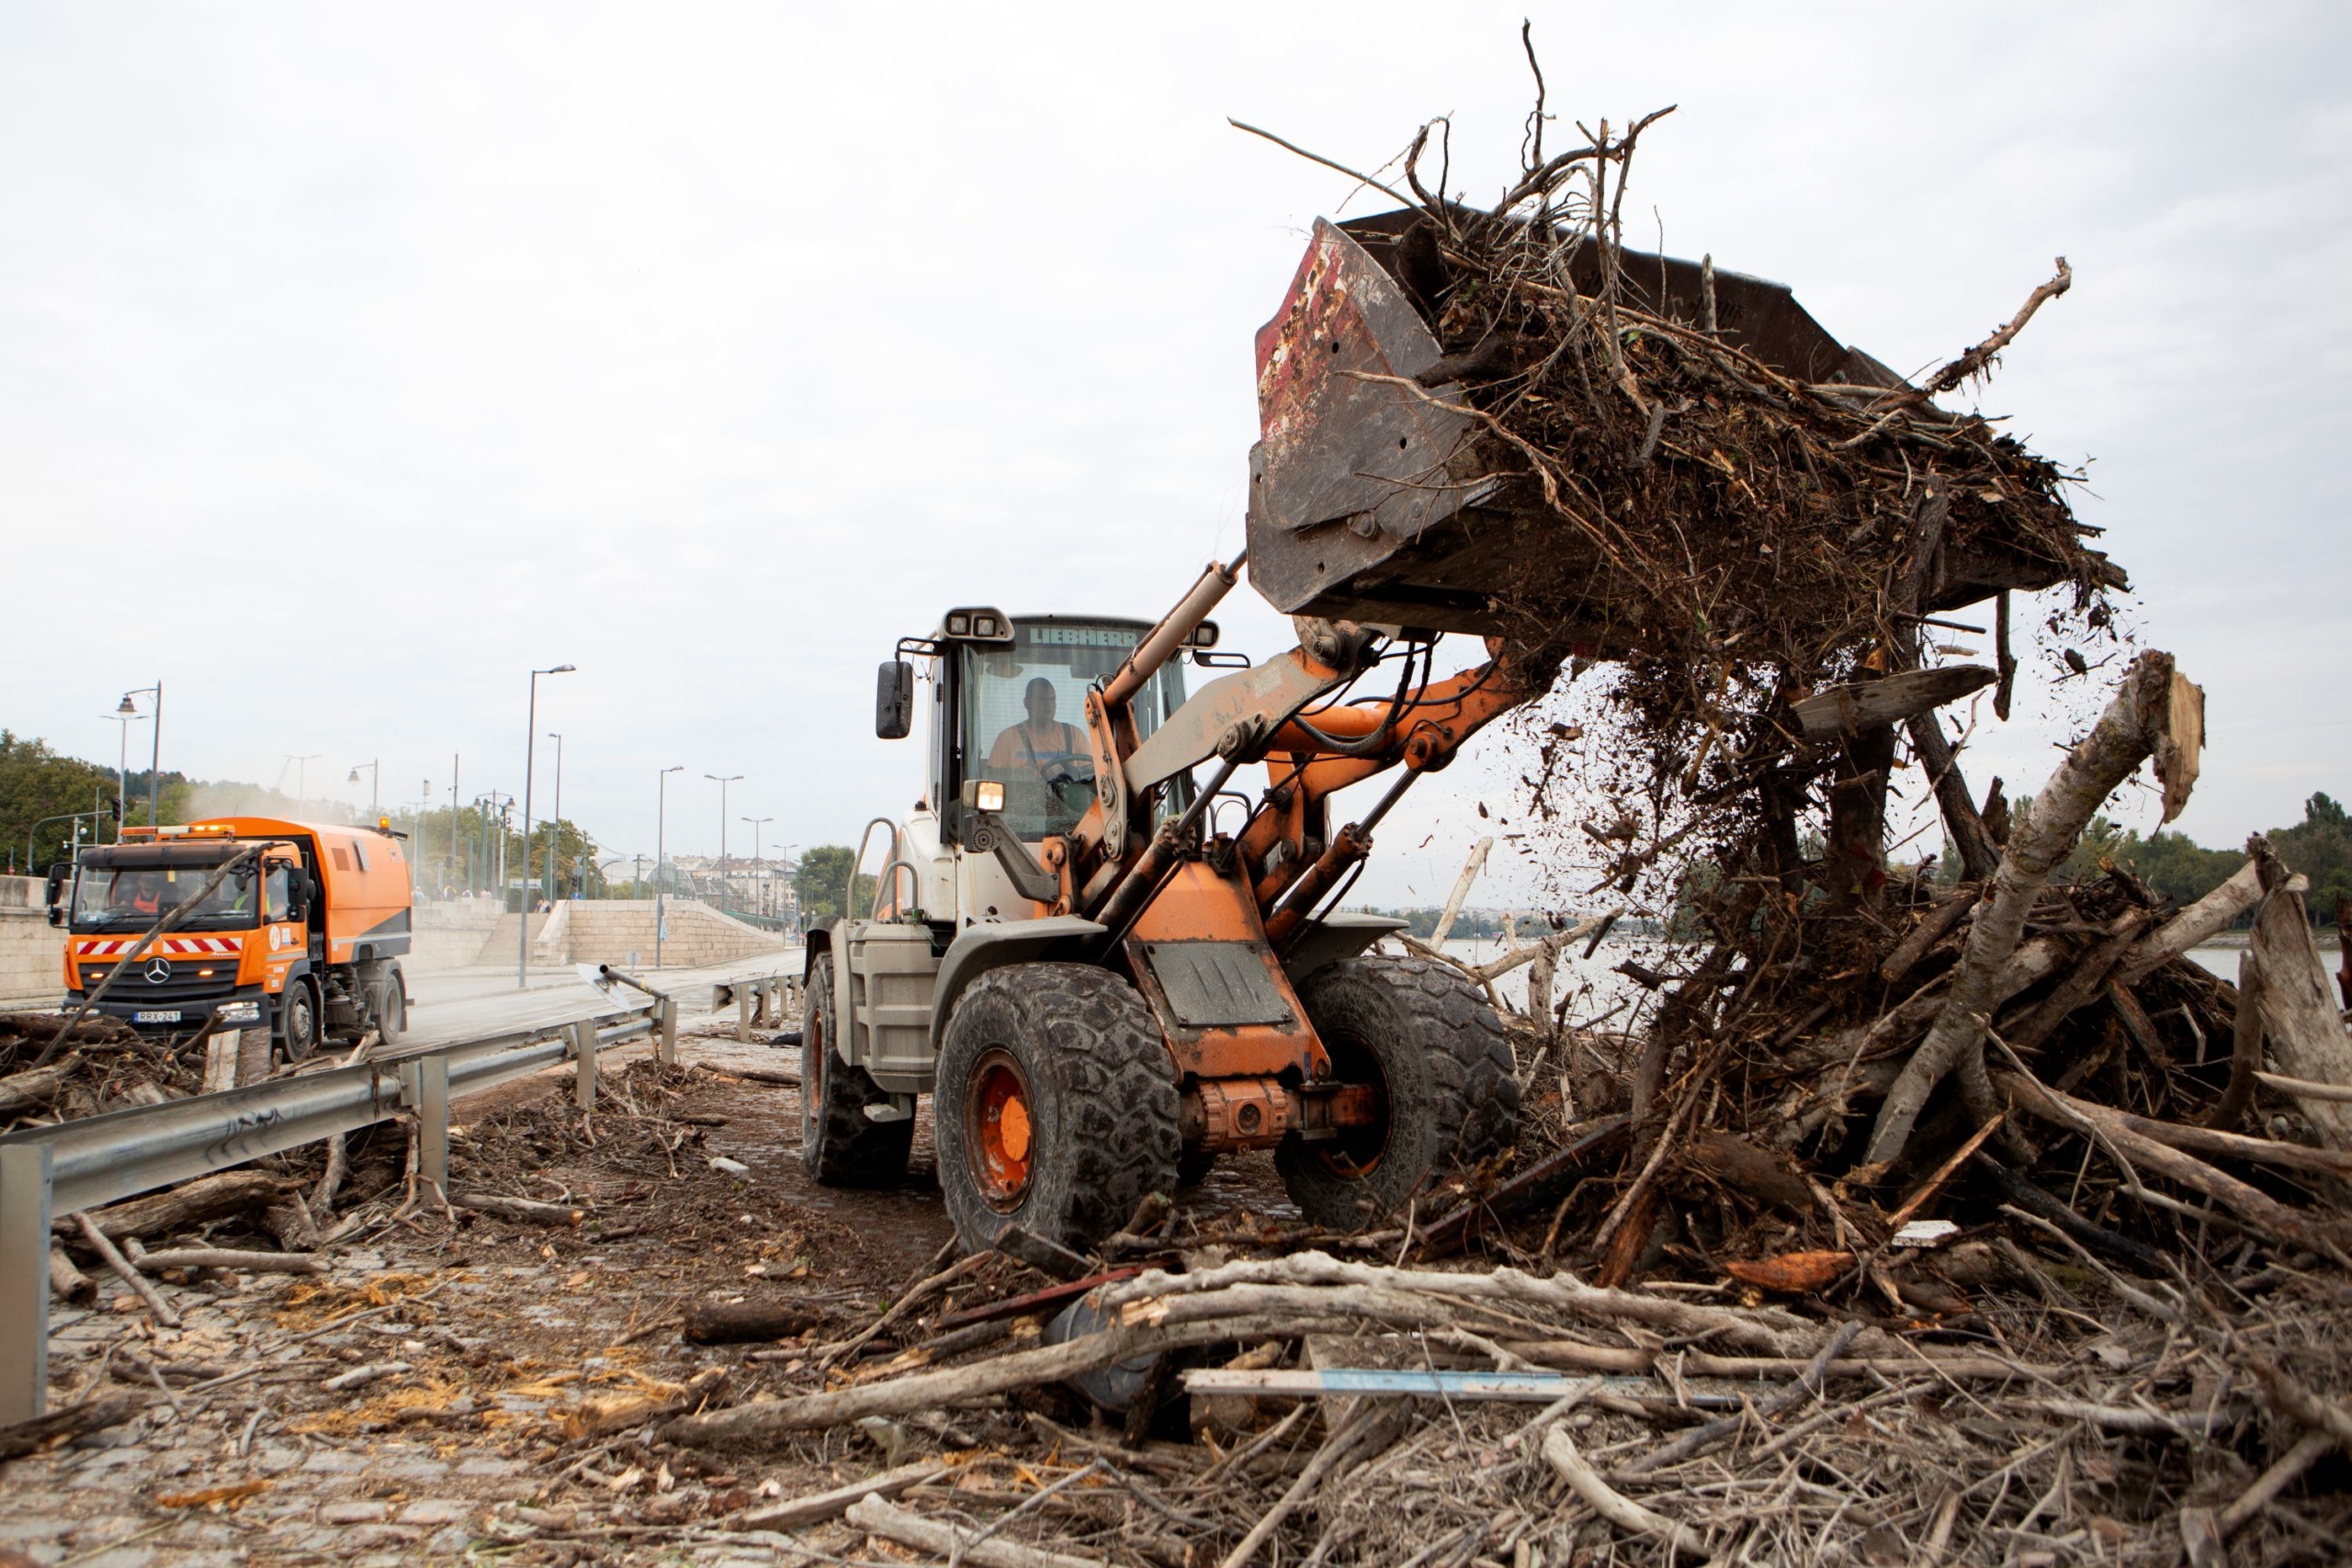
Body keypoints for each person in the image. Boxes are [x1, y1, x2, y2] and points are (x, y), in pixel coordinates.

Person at [987, 678, 1089, 784]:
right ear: (1027, 703)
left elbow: (1094, 776)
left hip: (1068, 799)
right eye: (1042, 699)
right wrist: (1025, 774)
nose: (1048, 705)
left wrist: (1067, 773)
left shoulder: (1074, 735)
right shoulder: (1007, 738)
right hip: (1021, 799)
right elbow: (992, 781)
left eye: (1052, 699)